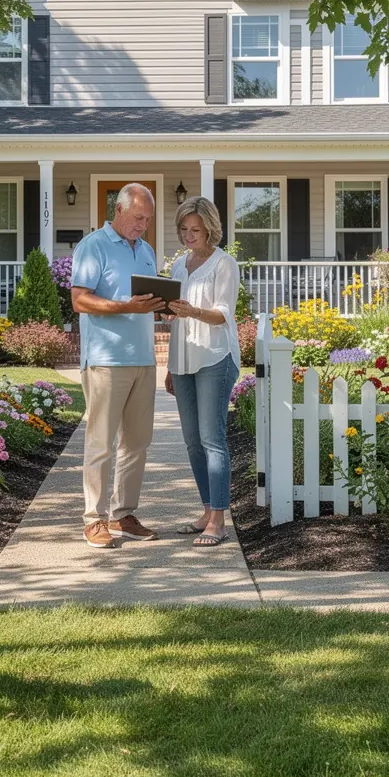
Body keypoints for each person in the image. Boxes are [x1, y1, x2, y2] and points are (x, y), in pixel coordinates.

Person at [70, 183, 165, 548]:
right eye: (139, 217)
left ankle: (123, 513)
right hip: (106, 360)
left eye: (148, 219)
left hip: (143, 358)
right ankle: (94, 519)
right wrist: (127, 306)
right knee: (101, 443)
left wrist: (162, 306)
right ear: (120, 210)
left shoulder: (146, 250)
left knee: (137, 442)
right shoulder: (93, 245)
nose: (143, 225)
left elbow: (144, 301)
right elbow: (80, 300)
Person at [164, 196, 241, 546]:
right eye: (183, 229)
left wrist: (192, 311)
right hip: (182, 361)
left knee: (213, 440)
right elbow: (174, 318)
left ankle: (220, 521)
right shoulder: (180, 266)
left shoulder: (224, 264)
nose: (188, 235)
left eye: (195, 229)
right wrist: (169, 366)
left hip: (214, 357)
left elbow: (222, 314)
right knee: (192, 442)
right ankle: (208, 510)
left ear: (210, 228)